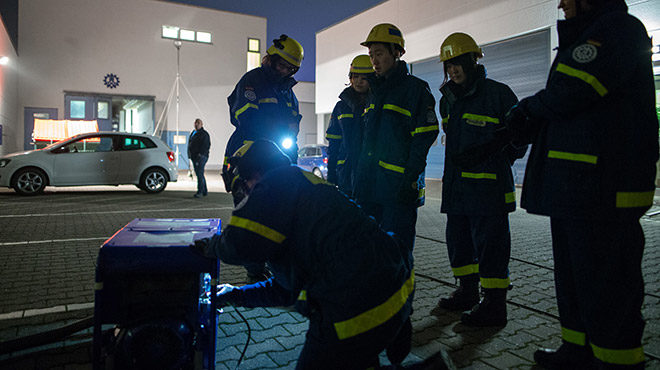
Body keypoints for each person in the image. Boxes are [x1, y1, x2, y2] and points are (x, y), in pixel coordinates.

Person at [503, 0, 658, 368]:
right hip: (576, 187)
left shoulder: (618, 29)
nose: (561, 4)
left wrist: (529, 109)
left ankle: (618, 361)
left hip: (604, 189)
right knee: (573, 280)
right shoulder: (586, 36)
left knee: (607, 286)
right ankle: (577, 349)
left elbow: (576, 88)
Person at [192, 140, 415, 369]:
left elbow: (241, 245)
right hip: (394, 285)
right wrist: (235, 294)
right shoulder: (303, 191)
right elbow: (286, 289)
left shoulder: (276, 183)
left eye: (245, 186)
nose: (247, 194)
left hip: (353, 303)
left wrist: (211, 246)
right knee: (356, 356)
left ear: (256, 173)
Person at [435, 32, 527, 327]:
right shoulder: (447, 101)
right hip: (458, 189)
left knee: (492, 247)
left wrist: (494, 155)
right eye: (448, 65)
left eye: (458, 63)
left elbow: (520, 139)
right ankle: (467, 292)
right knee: (458, 242)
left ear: (473, 61)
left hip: (488, 190)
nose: (453, 70)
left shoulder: (499, 94)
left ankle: (495, 305)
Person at [221, 34, 304, 283]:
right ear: (271, 59)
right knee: (252, 219)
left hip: (277, 162)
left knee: (277, 219)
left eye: (290, 68)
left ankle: (275, 271)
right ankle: (255, 274)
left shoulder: (288, 92)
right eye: (281, 65)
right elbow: (246, 119)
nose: (284, 70)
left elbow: (293, 125)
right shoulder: (252, 81)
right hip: (248, 161)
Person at [354, 23, 439, 252]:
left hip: (398, 189)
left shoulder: (416, 90)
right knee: (372, 250)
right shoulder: (374, 91)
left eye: (379, 54)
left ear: (397, 52)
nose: (374, 61)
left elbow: (424, 137)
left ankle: (403, 290)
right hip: (371, 187)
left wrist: (410, 180)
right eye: (371, 55)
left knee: (398, 252)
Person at [325, 55, 374, 196]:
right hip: (345, 176)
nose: (359, 81)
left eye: (364, 78)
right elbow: (333, 145)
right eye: (355, 76)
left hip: (369, 177)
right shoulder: (341, 107)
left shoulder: (377, 104)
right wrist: (331, 176)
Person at [188, 118, 210, 198]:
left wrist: (200, 155)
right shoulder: (193, 133)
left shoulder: (204, 134)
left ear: (201, 124)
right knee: (199, 174)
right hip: (194, 156)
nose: (196, 124)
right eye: (195, 123)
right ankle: (204, 191)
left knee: (199, 174)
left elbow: (206, 146)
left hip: (201, 157)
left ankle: (200, 191)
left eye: (198, 123)